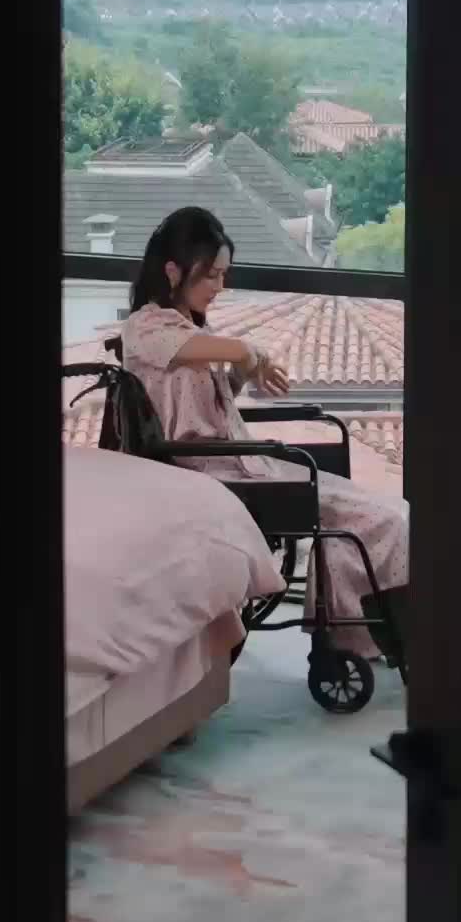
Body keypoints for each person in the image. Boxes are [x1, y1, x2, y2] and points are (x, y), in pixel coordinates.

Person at [121, 205, 409, 660]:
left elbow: (209, 394)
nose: (220, 286)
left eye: (223, 275)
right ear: (173, 271)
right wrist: (245, 354)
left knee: (383, 510)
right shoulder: (145, 328)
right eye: (212, 275)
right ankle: (359, 634)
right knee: (378, 518)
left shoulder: (190, 331)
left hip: (242, 465)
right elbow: (219, 356)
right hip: (213, 475)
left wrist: (241, 374)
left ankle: (359, 629)